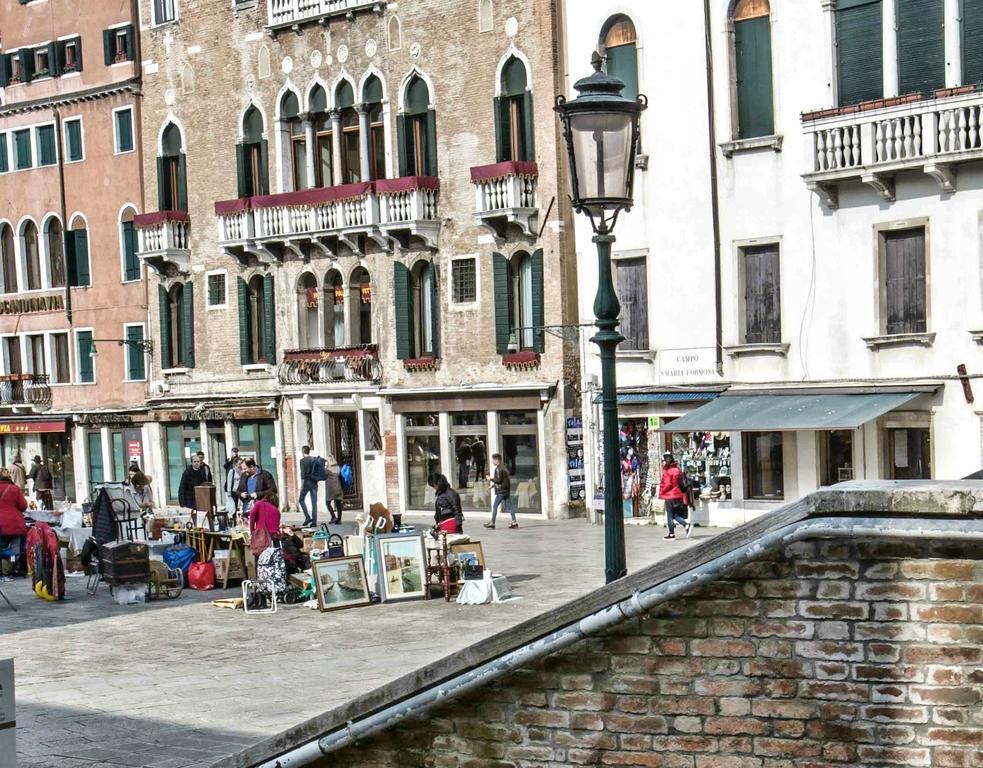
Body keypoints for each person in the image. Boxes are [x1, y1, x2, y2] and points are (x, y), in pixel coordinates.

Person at [0, 467, 28, 580]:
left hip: (1, 525)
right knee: (13, 550)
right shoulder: (15, 489)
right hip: (14, 524)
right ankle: (7, 572)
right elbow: (23, 506)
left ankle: (2, 573)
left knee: (1, 548)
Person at [659, 452, 692, 540]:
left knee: (670, 515)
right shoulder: (677, 469)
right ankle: (686, 525)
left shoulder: (668, 471)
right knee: (675, 515)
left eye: (663, 461)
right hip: (678, 495)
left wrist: (661, 492)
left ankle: (671, 534)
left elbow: (667, 484)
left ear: (666, 461)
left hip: (670, 496)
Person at [485, 453, 517, 530]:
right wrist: (493, 486)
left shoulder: (498, 469)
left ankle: (492, 522)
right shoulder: (504, 468)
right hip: (506, 490)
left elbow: (498, 480)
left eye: (493, 459)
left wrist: (490, 479)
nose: (492, 461)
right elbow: (503, 480)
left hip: (501, 491)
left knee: (495, 506)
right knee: (510, 506)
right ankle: (514, 521)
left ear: (497, 460)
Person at [248, 492, 281, 557]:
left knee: (261, 560)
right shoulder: (277, 511)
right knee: (274, 561)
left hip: (263, 538)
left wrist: (252, 531)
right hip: (275, 539)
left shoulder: (259, 503)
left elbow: (252, 514)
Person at [298, 445, 319, 527]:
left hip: (306, 482)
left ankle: (307, 517)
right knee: (314, 503)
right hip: (314, 483)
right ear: (309, 451)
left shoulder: (302, 461)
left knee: (301, 499)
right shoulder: (314, 459)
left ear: (303, 452)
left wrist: (302, 486)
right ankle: (314, 522)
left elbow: (302, 474)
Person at [324, 455, 344, 524]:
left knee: (327, 503)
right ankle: (339, 519)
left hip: (330, 490)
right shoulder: (338, 468)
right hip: (338, 488)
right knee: (338, 504)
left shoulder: (327, 470)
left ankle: (333, 517)